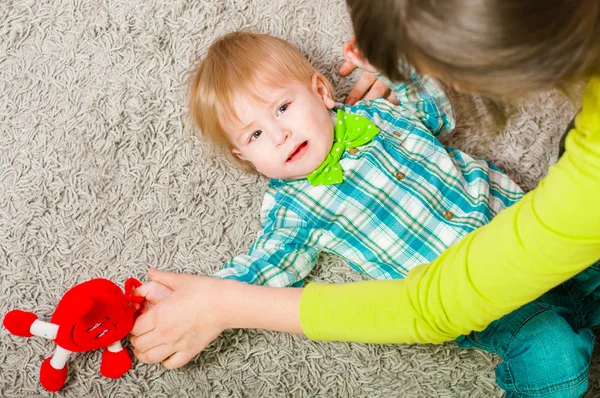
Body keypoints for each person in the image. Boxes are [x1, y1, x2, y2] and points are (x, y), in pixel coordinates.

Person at [131, 0, 600, 394]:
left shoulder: (381, 115)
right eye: (254, 134)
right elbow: (266, 265)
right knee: (555, 356)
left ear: (321, 90)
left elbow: (435, 113)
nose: (278, 135)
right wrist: (194, 297)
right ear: (244, 157)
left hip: (525, 227)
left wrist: (398, 70)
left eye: (283, 108)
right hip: (490, 306)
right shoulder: (292, 206)